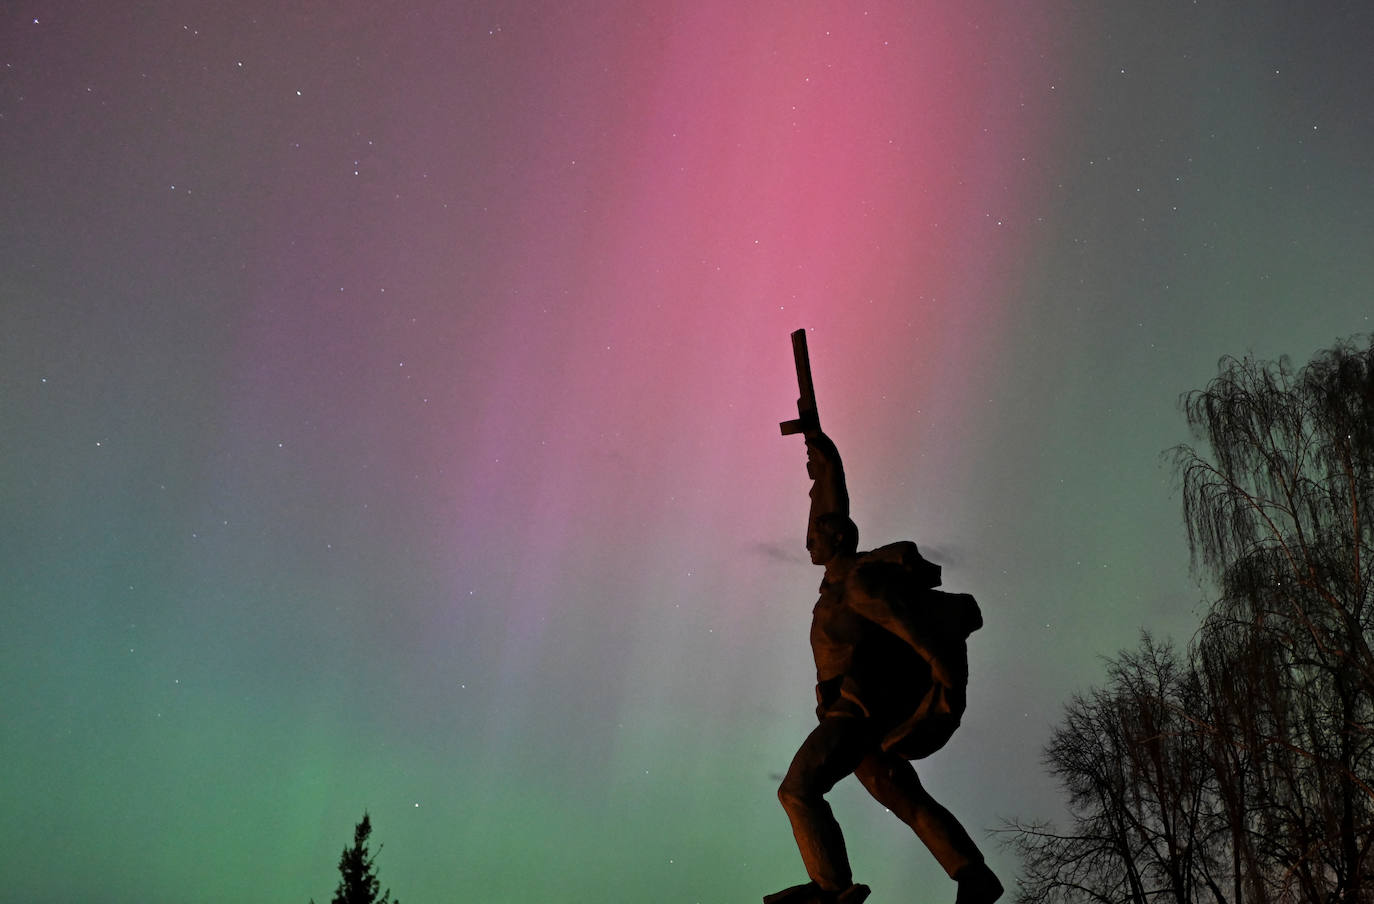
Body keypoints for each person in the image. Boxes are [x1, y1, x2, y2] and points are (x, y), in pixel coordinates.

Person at [767, 431, 1003, 904]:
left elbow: (912, 628)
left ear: (836, 539)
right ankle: (972, 874)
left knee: (798, 789)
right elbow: (832, 506)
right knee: (905, 798)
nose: (807, 538)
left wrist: (944, 677)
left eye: (816, 533)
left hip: (858, 708)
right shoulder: (838, 581)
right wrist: (825, 466)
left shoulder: (858, 583)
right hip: (851, 710)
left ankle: (831, 887)